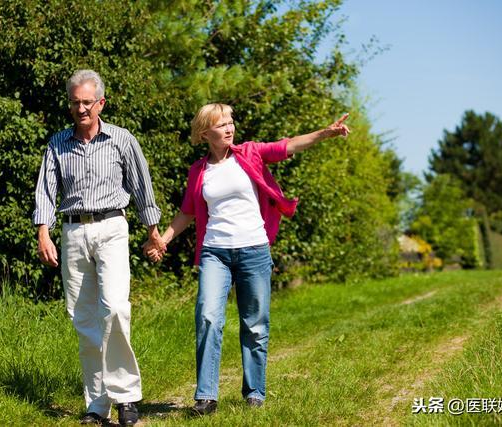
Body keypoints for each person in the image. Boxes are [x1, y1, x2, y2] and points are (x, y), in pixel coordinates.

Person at [145, 103, 349, 414]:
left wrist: (325, 133)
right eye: (221, 124)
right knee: (208, 316)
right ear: (204, 133)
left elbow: (287, 145)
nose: (229, 128)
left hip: (253, 248)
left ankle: (254, 391)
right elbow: (187, 211)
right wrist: (163, 240)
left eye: (230, 121)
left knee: (254, 324)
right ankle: (206, 397)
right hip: (215, 252)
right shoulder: (199, 171)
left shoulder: (250, 153)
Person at [33, 69, 166, 426]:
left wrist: (153, 231)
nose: (81, 109)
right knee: (84, 320)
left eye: (87, 102)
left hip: (112, 226)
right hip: (73, 232)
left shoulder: (122, 139)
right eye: (75, 102)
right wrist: (43, 233)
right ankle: (97, 404)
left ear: (100, 103)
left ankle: (126, 397)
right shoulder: (57, 143)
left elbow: (142, 187)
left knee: (116, 309)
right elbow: (46, 192)